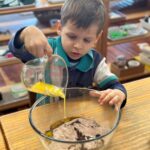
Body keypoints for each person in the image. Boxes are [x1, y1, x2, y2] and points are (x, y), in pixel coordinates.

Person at [9, 0, 127, 110]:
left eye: (86, 40)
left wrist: (118, 93)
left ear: (97, 38)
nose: (78, 46)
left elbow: (114, 85)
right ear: (59, 27)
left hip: (79, 113)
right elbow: (17, 51)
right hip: (46, 113)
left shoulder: (95, 61)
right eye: (72, 36)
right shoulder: (46, 50)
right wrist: (25, 34)